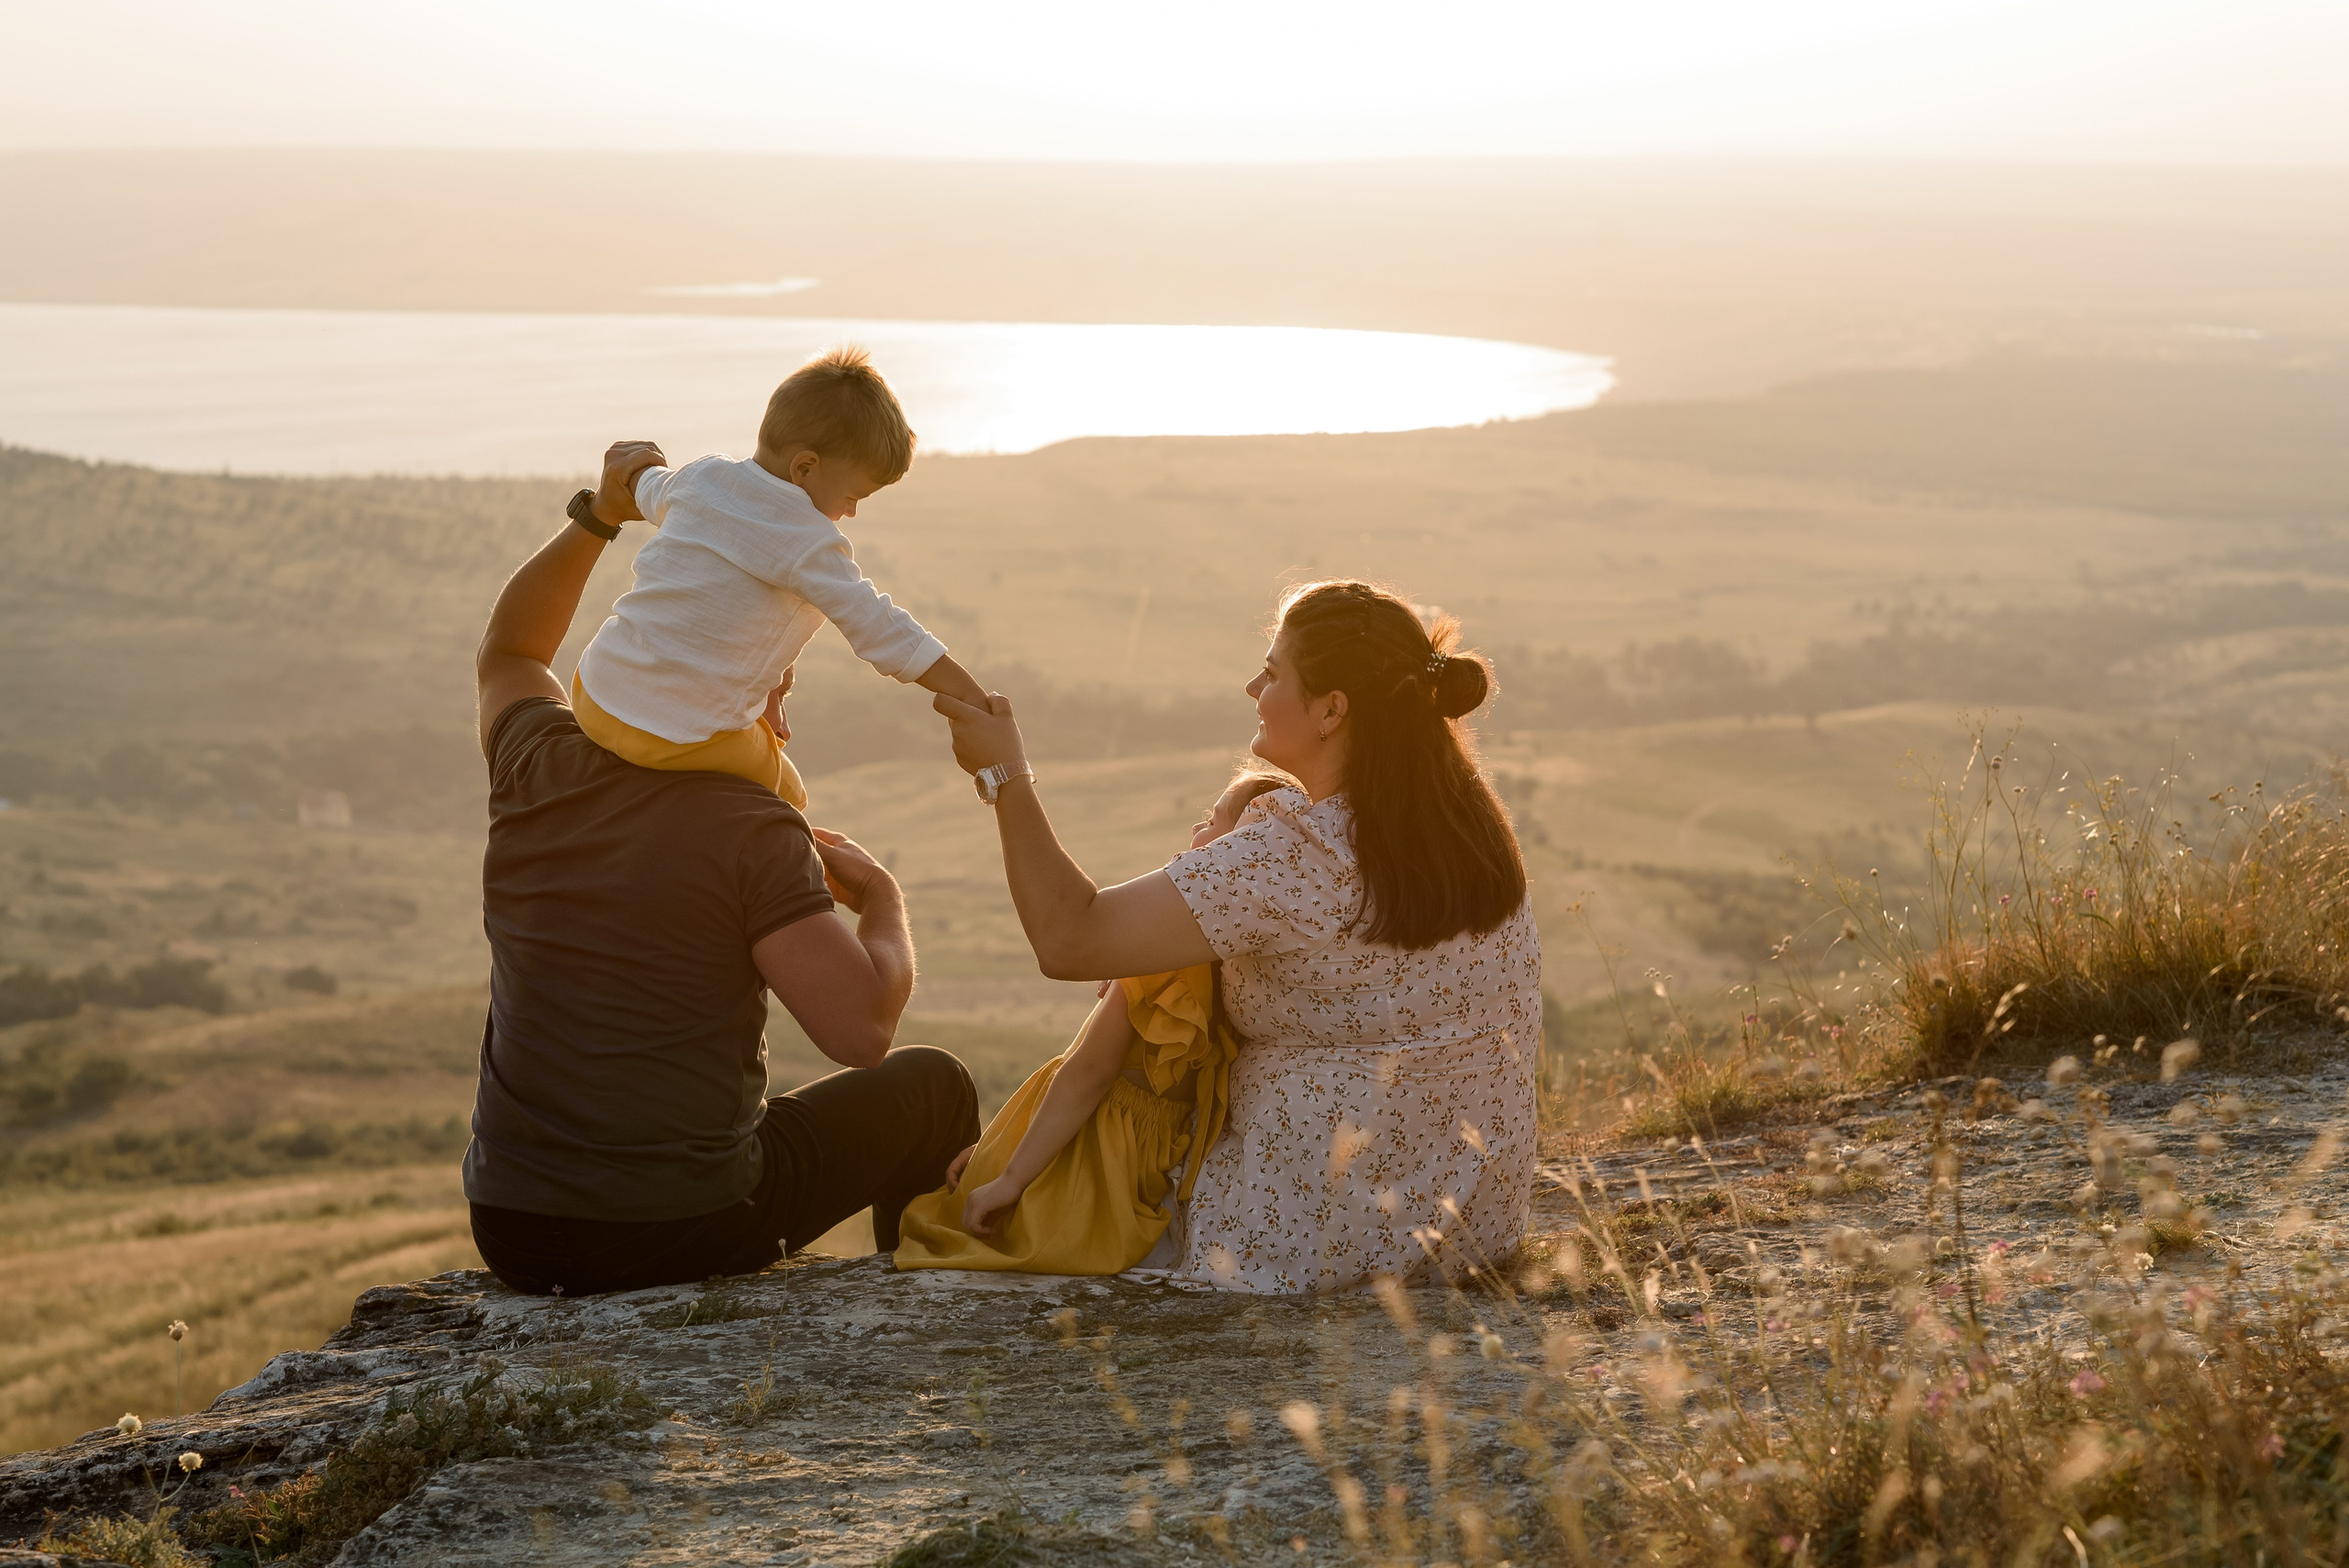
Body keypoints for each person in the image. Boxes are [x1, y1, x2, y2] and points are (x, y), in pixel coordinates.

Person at [463, 439, 978, 1297]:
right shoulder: (751, 828)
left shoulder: (538, 760)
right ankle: (915, 1316)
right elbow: (861, 1033)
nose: (782, 720)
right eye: (776, 688)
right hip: (676, 1227)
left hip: (509, 1222)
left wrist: (600, 515)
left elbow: (512, 651)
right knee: (934, 1087)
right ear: (739, 690)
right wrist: (884, 900)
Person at [932, 580, 1541, 1294]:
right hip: (1473, 1222)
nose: (1254, 687)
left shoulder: (1293, 851)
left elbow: (1069, 937)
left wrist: (1005, 773)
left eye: (1274, 672)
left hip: (1309, 1238)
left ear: (1332, 709)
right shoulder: (1469, 826)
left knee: (1029, 1210)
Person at [891, 769, 1289, 1276]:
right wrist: (1005, 1142)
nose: (1196, 832)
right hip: (1142, 1174)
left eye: (1212, 821)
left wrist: (1011, 1177)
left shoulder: (1160, 950)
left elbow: (1088, 1073)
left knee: (943, 1231)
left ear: (1239, 851)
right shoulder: (1253, 972)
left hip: (1086, 1164)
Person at [571, 348, 988, 810]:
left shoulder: (702, 476)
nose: (851, 512)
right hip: (674, 737)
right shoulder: (809, 543)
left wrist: (638, 467)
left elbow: (648, 487)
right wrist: (970, 695)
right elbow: (882, 628)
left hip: (593, 690)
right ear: (804, 467)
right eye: (853, 496)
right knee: (789, 794)